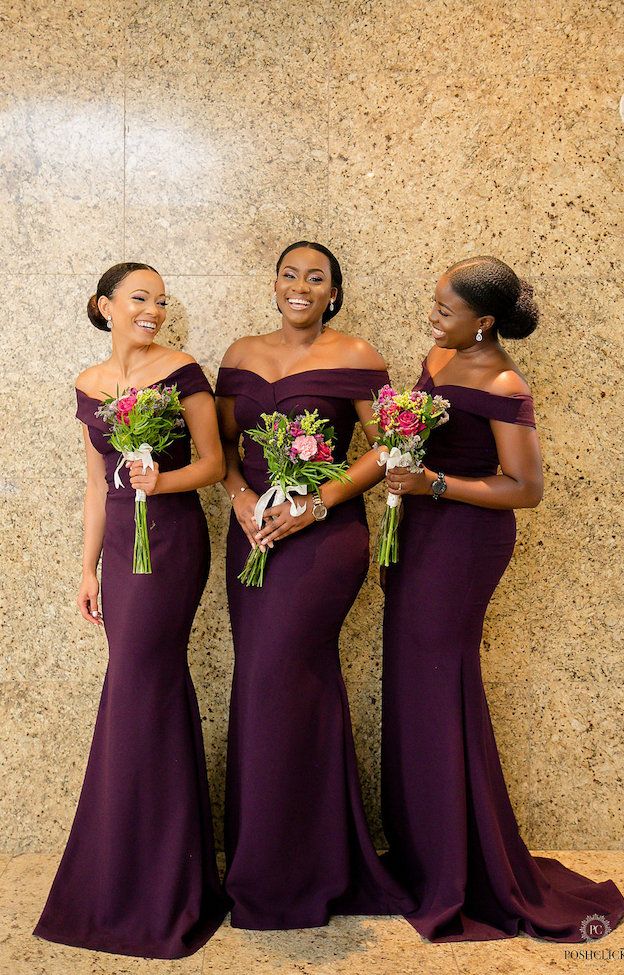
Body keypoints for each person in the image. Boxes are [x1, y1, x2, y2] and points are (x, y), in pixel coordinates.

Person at [379, 255, 624, 942]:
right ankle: (427, 852)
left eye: (446, 309)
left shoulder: (503, 380)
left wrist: (431, 484)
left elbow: (525, 487)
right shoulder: (441, 353)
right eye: (434, 302)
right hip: (419, 532)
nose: (433, 316)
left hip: (463, 541)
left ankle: (461, 868)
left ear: (484, 322)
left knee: (439, 686)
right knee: (413, 688)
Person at [214, 241, 414, 929]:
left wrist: (317, 503)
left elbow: (392, 445)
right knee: (272, 683)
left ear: (333, 292)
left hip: (324, 542)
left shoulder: (357, 354)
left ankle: (294, 873)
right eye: (290, 274)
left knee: (281, 677)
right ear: (274, 283)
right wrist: (242, 497)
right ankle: (297, 857)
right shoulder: (239, 353)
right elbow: (222, 448)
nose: (301, 286)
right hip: (253, 535)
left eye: (316, 278)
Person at [34, 262, 230, 958]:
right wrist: (86, 568)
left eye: (160, 300)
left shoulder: (183, 372)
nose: (153, 309)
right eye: (140, 298)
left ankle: (154, 886)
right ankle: (137, 871)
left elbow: (213, 462)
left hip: (171, 538)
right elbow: (95, 485)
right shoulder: (87, 384)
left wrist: (161, 476)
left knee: (140, 686)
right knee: (135, 690)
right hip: (120, 542)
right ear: (104, 305)